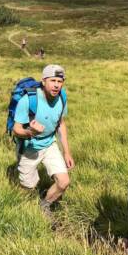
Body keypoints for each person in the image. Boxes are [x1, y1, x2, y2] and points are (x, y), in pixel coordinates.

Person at [13, 64, 74, 215]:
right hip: (29, 147)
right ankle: (23, 211)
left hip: (49, 143)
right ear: (43, 81)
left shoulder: (62, 97)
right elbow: (16, 129)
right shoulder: (28, 100)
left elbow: (60, 123)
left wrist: (66, 152)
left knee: (64, 182)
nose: (56, 85)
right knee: (28, 188)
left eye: (60, 81)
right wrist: (30, 132)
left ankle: (44, 204)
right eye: (53, 80)